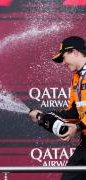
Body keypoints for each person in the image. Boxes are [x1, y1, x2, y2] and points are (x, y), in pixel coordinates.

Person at [29, 36, 86, 180]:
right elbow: (74, 111)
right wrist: (44, 117)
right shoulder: (76, 78)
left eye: (64, 57)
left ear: (75, 52)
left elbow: (78, 121)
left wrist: (78, 127)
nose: (64, 62)